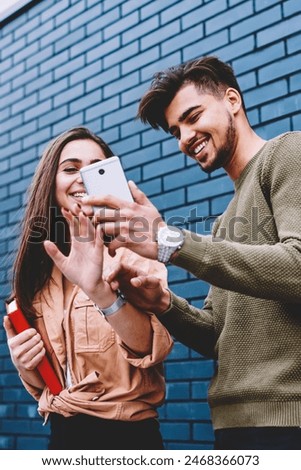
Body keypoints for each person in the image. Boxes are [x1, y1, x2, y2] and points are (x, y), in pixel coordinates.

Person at [80, 56, 301, 450]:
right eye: (175, 131)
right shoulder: (224, 223)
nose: (184, 137)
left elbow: (297, 268)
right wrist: (163, 303)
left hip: (288, 422)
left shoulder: (287, 153)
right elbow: (218, 336)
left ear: (232, 100)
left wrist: (169, 241)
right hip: (233, 426)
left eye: (193, 116)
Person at [3, 126, 173, 450]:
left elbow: (151, 346)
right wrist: (26, 364)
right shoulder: (40, 268)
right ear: (50, 183)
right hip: (61, 438)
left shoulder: (134, 249)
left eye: (96, 168)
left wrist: (99, 290)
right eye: (70, 168)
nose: (82, 177)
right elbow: (49, 382)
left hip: (127, 438)